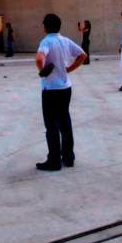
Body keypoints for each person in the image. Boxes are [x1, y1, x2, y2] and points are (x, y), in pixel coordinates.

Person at [35, 13, 87, 171]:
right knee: (65, 122)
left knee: (51, 125)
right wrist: (68, 69)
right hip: (66, 88)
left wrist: (43, 70)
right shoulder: (66, 41)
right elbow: (82, 55)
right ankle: (69, 157)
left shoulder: (47, 41)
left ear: (46, 27)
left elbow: (39, 58)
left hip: (51, 89)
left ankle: (54, 160)